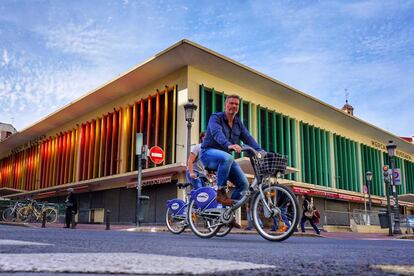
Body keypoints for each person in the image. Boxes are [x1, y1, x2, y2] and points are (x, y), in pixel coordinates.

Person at [200, 94, 262, 206]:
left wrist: (261, 151)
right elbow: (216, 133)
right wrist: (229, 145)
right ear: (225, 105)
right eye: (231, 103)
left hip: (225, 159)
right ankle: (221, 192)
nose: (234, 105)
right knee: (228, 157)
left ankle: (227, 215)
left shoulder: (238, 123)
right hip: (207, 154)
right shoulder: (216, 117)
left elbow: (248, 137)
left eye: (236, 104)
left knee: (244, 185)